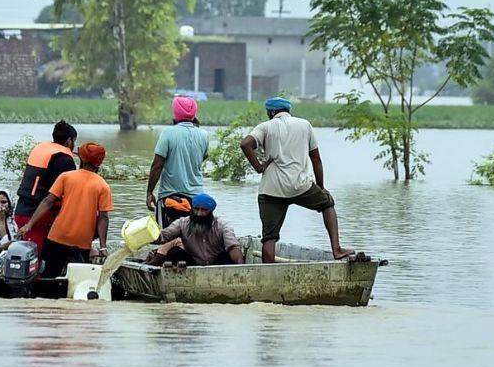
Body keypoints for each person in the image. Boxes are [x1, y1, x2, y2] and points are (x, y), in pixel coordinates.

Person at [240, 97, 353, 262]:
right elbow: (316, 159)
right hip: (300, 186)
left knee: (269, 237)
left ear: (271, 112)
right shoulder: (304, 125)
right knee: (327, 203)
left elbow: (245, 144)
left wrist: (259, 167)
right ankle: (336, 249)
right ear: (288, 110)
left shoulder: (266, 127)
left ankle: (267, 276)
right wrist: (321, 188)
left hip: (271, 189)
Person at [19, 142, 112, 279]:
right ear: (99, 163)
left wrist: (29, 224)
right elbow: (103, 218)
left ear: (82, 160)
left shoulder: (66, 177)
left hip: (57, 237)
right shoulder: (103, 186)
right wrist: (103, 247)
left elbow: (48, 201)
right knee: (78, 280)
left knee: (48, 277)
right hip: (82, 242)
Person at [146, 96, 210, 228]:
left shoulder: (168, 133)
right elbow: (202, 158)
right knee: (192, 238)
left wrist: (149, 192)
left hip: (170, 198)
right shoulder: (204, 135)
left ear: (175, 113)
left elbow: (157, 166)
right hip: (196, 199)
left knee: (166, 237)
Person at [13, 120, 78, 252]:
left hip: (20, 211)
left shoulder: (40, 149)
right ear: (69, 141)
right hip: (39, 217)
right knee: (38, 257)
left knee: (29, 253)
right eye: (74, 141)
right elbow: (68, 195)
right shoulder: (65, 159)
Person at [145, 193, 243, 267]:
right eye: (196, 209)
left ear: (211, 212)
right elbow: (163, 236)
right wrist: (144, 236)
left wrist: (241, 268)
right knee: (174, 252)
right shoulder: (182, 223)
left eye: (204, 210)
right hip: (191, 264)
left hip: (217, 264)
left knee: (226, 256)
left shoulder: (223, 226)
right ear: (192, 209)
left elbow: (233, 247)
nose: (199, 214)